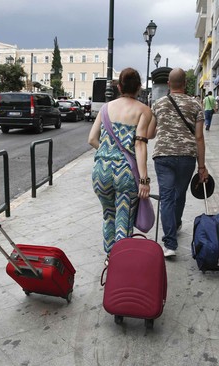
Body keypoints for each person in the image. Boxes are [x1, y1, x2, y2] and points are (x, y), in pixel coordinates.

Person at [88, 68, 152, 258]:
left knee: (109, 215)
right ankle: (120, 263)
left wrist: (108, 153)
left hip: (101, 171)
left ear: (119, 86)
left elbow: (92, 139)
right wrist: (144, 180)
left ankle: (109, 258)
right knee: (124, 219)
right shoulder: (144, 111)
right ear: (139, 88)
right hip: (125, 174)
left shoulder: (105, 108)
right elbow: (140, 145)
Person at [148, 68, 208, 257]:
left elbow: (150, 134)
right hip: (187, 157)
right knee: (179, 194)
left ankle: (170, 244)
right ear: (185, 84)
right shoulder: (196, 104)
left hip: (163, 156)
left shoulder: (158, 104)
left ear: (168, 84)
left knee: (166, 197)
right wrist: (202, 166)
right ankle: (177, 223)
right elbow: (199, 137)